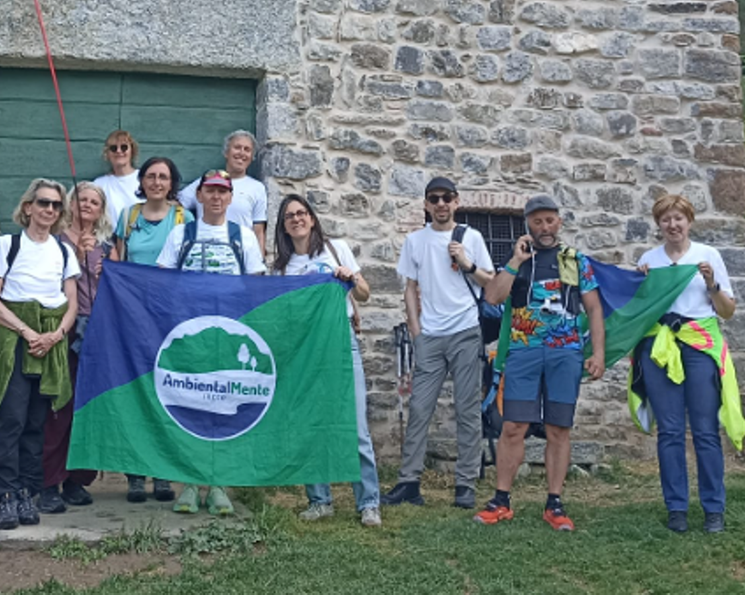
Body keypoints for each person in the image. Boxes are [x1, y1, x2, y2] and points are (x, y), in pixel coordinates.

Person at [473, 194, 605, 532]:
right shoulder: (517, 259)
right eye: (537, 221)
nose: (544, 227)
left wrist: (598, 353)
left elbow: (593, 309)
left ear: (559, 222)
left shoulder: (576, 260)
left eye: (549, 220)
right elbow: (492, 297)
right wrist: (515, 262)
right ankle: (501, 500)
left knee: (559, 428)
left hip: (566, 354)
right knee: (512, 426)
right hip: (523, 353)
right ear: (527, 224)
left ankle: (555, 503)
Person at [381, 177, 494, 510]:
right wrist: (416, 331)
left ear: (456, 202)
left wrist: (466, 262)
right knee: (419, 410)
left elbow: (490, 281)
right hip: (430, 335)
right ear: (427, 204)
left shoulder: (471, 237)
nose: (441, 204)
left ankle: (465, 484)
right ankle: (409, 482)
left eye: (447, 198)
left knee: (468, 410)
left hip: (466, 331)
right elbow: (410, 288)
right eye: (435, 198)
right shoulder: (415, 240)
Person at [158, 169, 265, 514]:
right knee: (189, 404)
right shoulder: (181, 233)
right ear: (199, 195)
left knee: (222, 407)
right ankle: (190, 484)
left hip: (229, 335)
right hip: (189, 334)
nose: (216, 197)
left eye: (223, 191)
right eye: (210, 191)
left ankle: (218, 484)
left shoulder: (243, 236)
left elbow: (255, 287)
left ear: (231, 197)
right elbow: (160, 281)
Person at [272, 194, 381, 527]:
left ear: (312, 218)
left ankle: (369, 503)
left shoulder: (335, 250)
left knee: (356, 427)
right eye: (289, 216)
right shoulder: (281, 269)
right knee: (311, 425)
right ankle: (320, 500)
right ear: (283, 226)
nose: (296, 219)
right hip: (304, 348)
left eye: (301, 213)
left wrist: (351, 278)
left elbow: (363, 294)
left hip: (341, 342)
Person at [633, 194, 739, 534]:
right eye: (666, 219)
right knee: (670, 432)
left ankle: (713, 510)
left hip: (699, 347)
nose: (672, 224)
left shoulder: (708, 256)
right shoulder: (649, 259)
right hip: (660, 348)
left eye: (678, 218)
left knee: (706, 431)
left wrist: (711, 284)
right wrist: (641, 284)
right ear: (658, 224)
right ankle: (676, 507)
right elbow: (639, 309)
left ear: (689, 221)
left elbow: (727, 310)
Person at [0, 179, 81, 530]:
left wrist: (55, 335)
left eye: (55, 205)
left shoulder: (64, 251)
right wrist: (26, 332)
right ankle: (4, 494)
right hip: (16, 339)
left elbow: (72, 303)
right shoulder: (9, 244)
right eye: (42, 203)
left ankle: (27, 490)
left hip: (50, 343)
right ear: (28, 207)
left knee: (37, 423)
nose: (49, 210)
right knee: (11, 420)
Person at [114, 157, 191, 503]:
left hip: (168, 318)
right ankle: (134, 473)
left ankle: (163, 474)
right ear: (142, 181)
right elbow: (118, 262)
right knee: (134, 392)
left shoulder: (183, 218)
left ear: (172, 183)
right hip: (131, 317)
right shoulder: (128, 217)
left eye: (163, 177)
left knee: (165, 391)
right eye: (150, 176)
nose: (157, 182)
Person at [37, 183, 107, 514]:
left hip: (97, 333)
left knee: (90, 408)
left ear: (101, 210)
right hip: (64, 330)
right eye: (82, 199)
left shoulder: (107, 246)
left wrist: (105, 272)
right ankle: (49, 481)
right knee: (59, 408)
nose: (88, 205)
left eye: (95, 202)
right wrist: (77, 257)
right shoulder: (55, 241)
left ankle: (78, 480)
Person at [178, 130, 268, 252]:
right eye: (237, 147)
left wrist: (259, 262)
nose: (242, 153)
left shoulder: (257, 188)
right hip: (204, 252)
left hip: (240, 257)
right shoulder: (205, 182)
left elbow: (258, 230)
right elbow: (177, 205)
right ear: (226, 152)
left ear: (252, 157)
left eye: (247, 150)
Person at [93, 130, 141, 231]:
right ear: (108, 153)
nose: (119, 151)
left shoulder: (143, 178)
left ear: (132, 151)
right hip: (110, 240)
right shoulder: (99, 184)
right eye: (113, 148)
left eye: (124, 147)